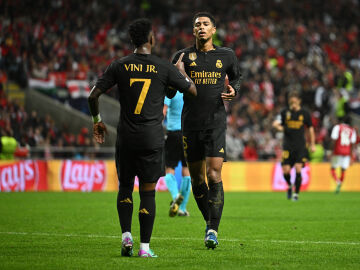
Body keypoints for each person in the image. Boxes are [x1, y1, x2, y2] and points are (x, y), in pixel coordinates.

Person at [88, 18, 196, 258]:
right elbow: (192, 90)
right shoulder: (163, 67)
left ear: (131, 40)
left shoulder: (119, 65)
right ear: (151, 39)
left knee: (125, 188)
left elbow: (93, 96)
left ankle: (126, 236)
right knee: (148, 193)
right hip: (152, 139)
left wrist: (97, 122)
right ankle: (144, 249)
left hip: (126, 138)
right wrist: (180, 74)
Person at [171, 12, 242, 249]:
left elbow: (237, 78)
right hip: (190, 125)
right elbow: (170, 93)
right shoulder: (181, 56)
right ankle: (209, 223)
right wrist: (177, 74)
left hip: (215, 122)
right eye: (197, 25)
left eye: (205, 24)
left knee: (213, 175)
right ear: (193, 31)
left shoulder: (227, 55)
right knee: (198, 179)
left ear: (213, 30)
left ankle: (213, 229)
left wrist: (234, 90)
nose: (201, 27)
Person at [273, 90, 316, 201]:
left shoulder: (305, 113)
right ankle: (290, 186)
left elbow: (311, 129)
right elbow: (275, 123)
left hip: (300, 146)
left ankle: (296, 194)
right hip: (287, 146)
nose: (292, 105)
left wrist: (312, 144)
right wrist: (280, 127)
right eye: (291, 102)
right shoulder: (284, 112)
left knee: (298, 168)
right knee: (286, 171)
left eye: (294, 102)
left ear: (299, 102)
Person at [163, 92, 191, 217]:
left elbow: (163, 111)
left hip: (173, 133)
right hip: (188, 134)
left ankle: (175, 197)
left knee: (169, 169)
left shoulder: (170, 91)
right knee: (187, 171)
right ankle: (182, 208)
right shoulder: (189, 91)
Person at [330, 116, 357, 193]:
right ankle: (340, 183)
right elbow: (353, 144)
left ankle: (338, 181)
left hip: (337, 151)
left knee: (332, 169)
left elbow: (334, 139)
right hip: (347, 152)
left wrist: (331, 151)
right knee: (343, 170)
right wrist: (352, 156)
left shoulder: (338, 127)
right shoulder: (352, 130)